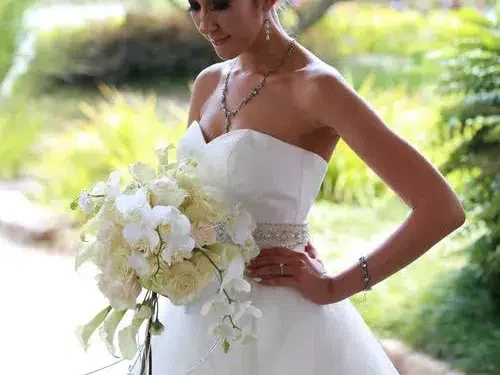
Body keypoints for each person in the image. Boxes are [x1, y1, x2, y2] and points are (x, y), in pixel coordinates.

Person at [148, 0, 466, 373]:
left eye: (219, 5)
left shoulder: (317, 88)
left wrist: (337, 285)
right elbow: (189, 193)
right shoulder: (208, 83)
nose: (204, 23)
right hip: (195, 316)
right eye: (195, 6)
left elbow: (441, 208)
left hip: (281, 326)